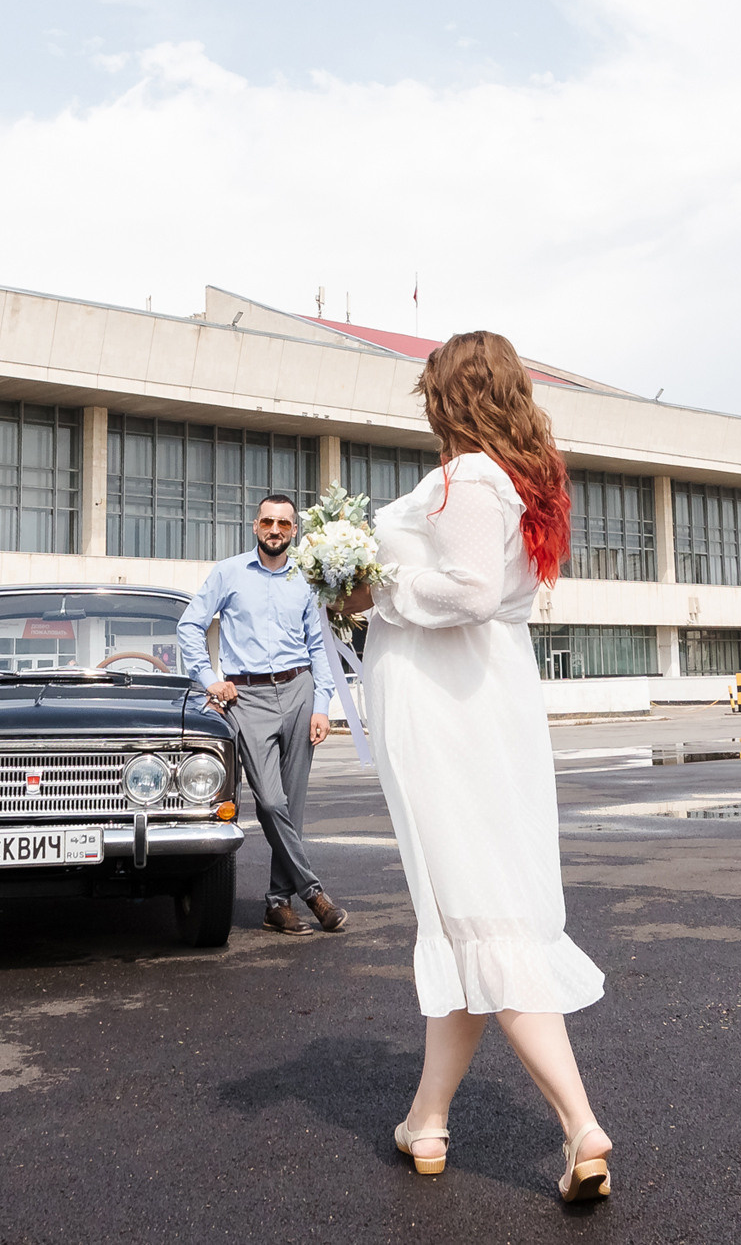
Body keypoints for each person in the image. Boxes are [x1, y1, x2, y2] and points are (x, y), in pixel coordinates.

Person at [342, 331, 613, 1203]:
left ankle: (580, 1124)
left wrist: (371, 584)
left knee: (484, 919)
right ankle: (427, 1120)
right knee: (465, 919)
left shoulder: (468, 478)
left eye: (430, 389)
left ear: (452, 394)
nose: (423, 402)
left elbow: (464, 592)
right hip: (481, 706)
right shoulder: (518, 478)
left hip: (449, 718)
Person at [176, 492, 348, 937]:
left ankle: (277, 904)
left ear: (295, 531)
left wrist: (322, 705)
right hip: (246, 698)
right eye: (268, 522)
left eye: (284, 524)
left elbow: (319, 647)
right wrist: (208, 677)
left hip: (298, 691)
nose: (275, 530)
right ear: (256, 527)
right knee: (270, 802)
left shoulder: (306, 582)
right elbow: (190, 625)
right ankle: (313, 892)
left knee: (292, 807)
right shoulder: (228, 573)